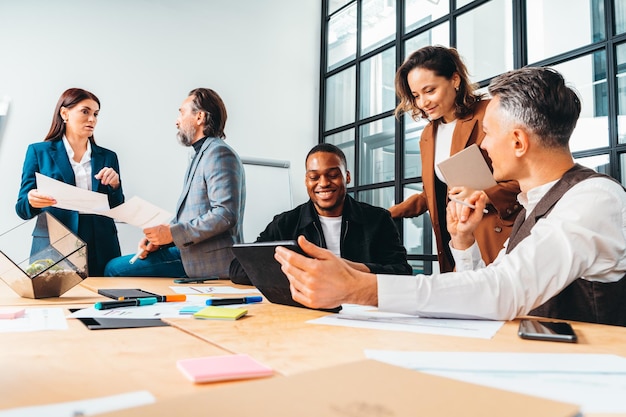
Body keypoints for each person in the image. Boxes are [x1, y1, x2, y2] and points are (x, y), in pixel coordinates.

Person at [274, 67, 626, 326]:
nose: (483, 145)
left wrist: (360, 288)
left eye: (487, 134)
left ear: (519, 142)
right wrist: (464, 242)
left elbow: (502, 291)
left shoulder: (593, 199)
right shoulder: (533, 207)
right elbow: (487, 284)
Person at [389, 46, 521, 272]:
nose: (422, 103)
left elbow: (528, 177)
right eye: (416, 95)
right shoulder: (428, 135)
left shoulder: (488, 113)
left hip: (499, 236)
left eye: (430, 91)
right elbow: (433, 193)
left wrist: (484, 195)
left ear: (455, 80)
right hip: (459, 240)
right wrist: (387, 214)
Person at [104, 88, 245, 278]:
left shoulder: (218, 153)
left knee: (114, 269)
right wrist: (160, 239)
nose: (176, 121)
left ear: (200, 117)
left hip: (205, 261)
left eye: (182, 112)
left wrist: (172, 234)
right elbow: (194, 216)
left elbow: (225, 214)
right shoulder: (201, 155)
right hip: (190, 253)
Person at [230, 143, 412, 285]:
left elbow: (402, 272)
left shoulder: (378, 220)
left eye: (332, 174)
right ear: (306, 180)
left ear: (347, 177)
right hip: (307, 312)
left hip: (363, 309)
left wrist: (349, 269)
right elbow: (239, 270)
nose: (323, 183)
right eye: (314, 177)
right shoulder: (286, 223)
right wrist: (303, 271)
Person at [16, 88, 124, 277]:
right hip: (54, 241)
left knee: (104, 300)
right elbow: (21, 209)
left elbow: (117, 207)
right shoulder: (38, 152)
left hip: (100, 242)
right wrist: (31, 201)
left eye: (96, 114)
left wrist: (115, 186)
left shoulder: (108, 156)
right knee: (55, 302)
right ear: (64, 113)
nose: (92, 119)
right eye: (85, 111)